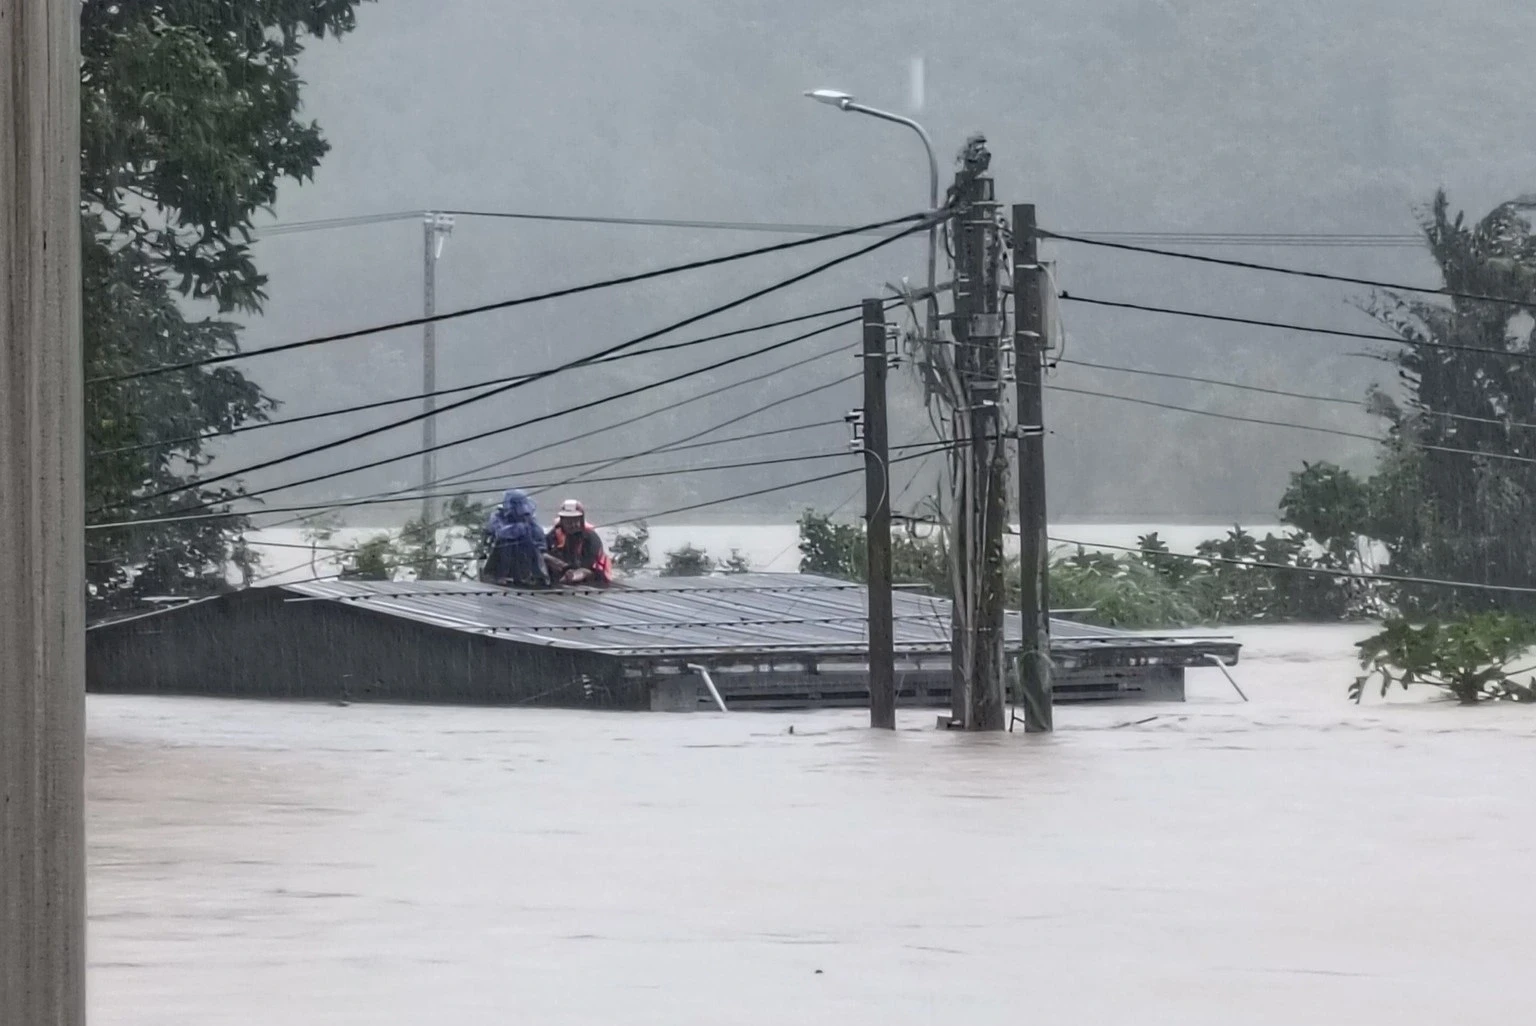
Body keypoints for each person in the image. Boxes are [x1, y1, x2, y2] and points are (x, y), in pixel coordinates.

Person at [481, 489, 548, 587]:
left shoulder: (530, 521)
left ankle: (530, 576)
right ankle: (501, 576)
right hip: (499, 560)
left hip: (524, 562)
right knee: (505, 542)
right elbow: (499, 533)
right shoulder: (498, 516)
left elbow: (540, 543)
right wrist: (519, 528)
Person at [544, 499, 611, 586]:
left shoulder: (590, 537)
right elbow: (543, 551)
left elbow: (588, 564)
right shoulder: (554, 534)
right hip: (565, 567)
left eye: (575, 520)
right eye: (567, 520)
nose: (571, 524)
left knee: (582, 572)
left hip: (591, 572)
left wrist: (570, 573)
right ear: (561, 520)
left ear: (581, 519)